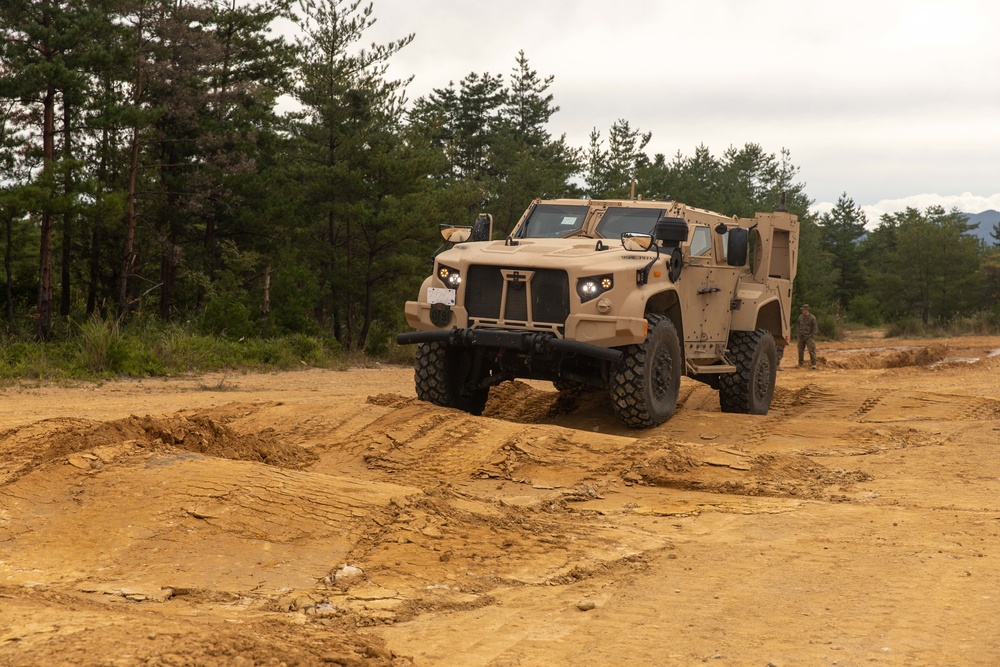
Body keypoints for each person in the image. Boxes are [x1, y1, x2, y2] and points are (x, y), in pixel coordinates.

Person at [797, 304, 818, 369]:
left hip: (809, 337)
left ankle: (814, 364)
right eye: (802, 310)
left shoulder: (812, 318)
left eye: (804, 310)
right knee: (800, 350)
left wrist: (811, 336)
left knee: (811, 350)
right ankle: (800, 363)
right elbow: (798, 326)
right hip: (801, 337)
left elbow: (815, 328)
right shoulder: (800, 317)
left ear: (807, 310)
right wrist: (799, 334)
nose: (802, 311)